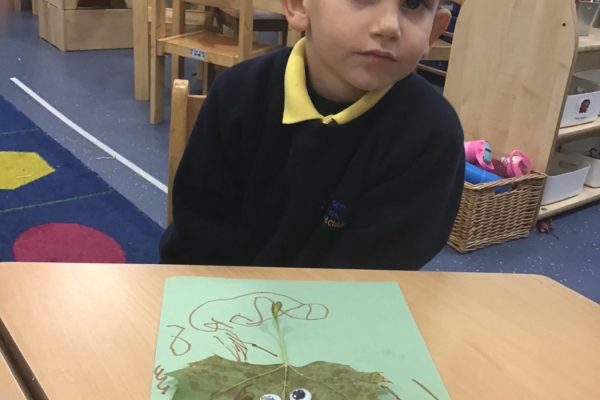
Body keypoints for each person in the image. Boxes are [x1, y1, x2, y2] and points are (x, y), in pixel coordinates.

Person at [160, 0, 465, 269]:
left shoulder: (432, 136)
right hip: (217, 297)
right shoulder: (236, 96)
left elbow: (374, 276)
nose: (389, 27)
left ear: (434, 30)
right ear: (298, 5)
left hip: (341, 308)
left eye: (413, 4)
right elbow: (198, 242)